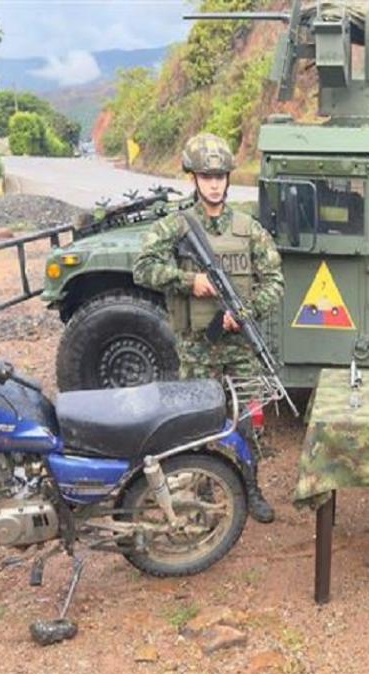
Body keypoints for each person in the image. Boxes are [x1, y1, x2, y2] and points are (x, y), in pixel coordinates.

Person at [134, 132, 283, 523]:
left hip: (240, 348)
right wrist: (189, 282)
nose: (214, 184)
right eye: (206, 177)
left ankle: (251, 489)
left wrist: (245, 312)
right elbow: (143, 267)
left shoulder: (248, 229)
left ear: (229, 180)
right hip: (196, 350)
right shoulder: (175, 227)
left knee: (249, 423)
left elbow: (275, 282)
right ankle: (201, 498)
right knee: (196, 427)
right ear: (194, 180)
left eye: (220, 177)